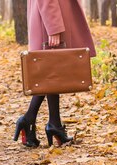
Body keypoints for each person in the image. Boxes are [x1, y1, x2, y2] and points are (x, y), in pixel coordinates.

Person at [14, 0, 96, 147]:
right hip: (50, 16)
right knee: (51, 68)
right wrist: (53, 27)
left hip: (52, 14)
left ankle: (48, 122)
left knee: (52, 70)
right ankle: (41, 121)